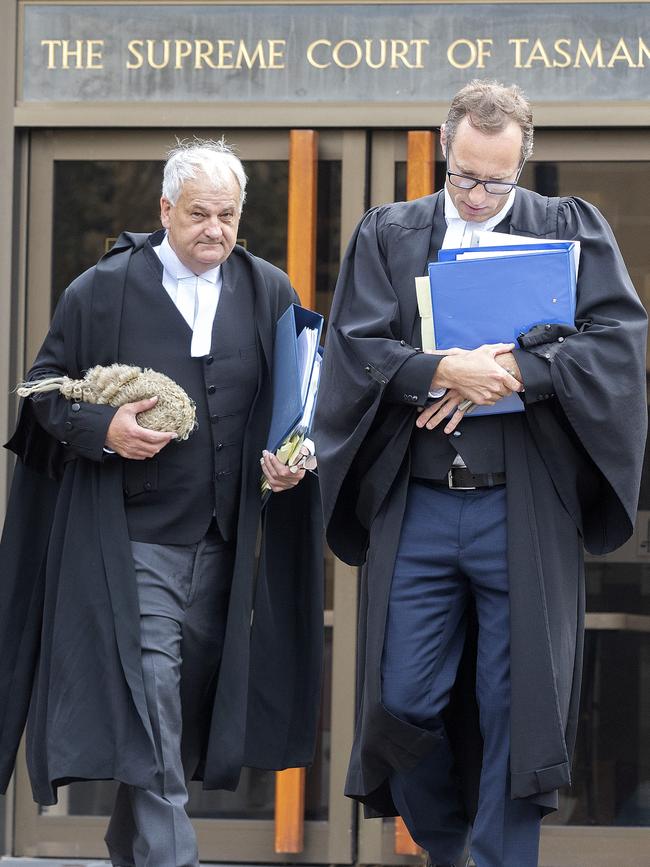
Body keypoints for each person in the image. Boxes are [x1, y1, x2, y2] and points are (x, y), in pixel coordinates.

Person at [313, 80, 647, 867]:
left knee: (514, 701)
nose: (473, 194)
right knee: (403, 696)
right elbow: (355, 347)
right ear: (443, 149)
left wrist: (521, 370)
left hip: (521, 506)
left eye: (494, 180)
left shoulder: (568, 229)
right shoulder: (389, 233)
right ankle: (446, 842)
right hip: (421, 501)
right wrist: (440, 369)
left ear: (521, 167)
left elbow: (616, 343)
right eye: (461, 174)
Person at [0, 140, 323, 867]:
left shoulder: (270, 289)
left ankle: (129, 845)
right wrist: (105, 428)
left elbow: (301, 401)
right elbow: (42, 392)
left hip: (224, 541)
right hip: (131, 540)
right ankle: (175, 857)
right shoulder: (101, 289)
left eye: (229, 214)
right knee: (150, 687)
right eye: (200, 213)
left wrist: (296, 457)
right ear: (165, 210)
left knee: (176, 704)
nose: (215, 228)